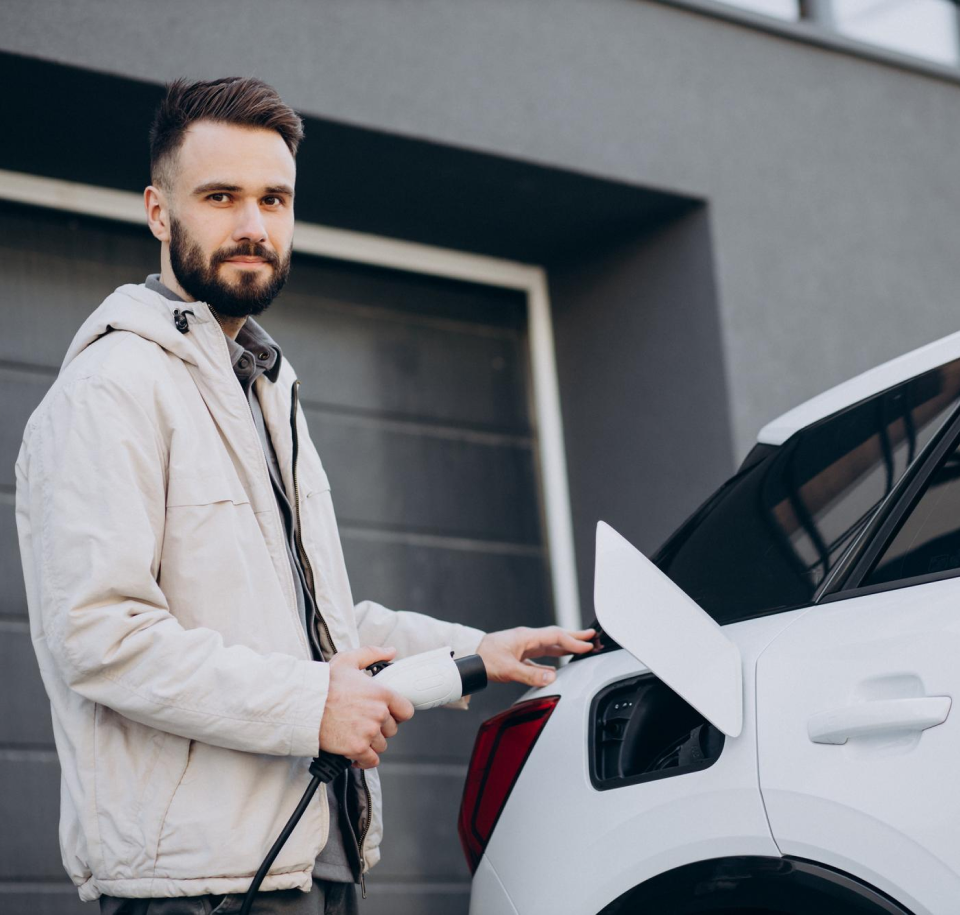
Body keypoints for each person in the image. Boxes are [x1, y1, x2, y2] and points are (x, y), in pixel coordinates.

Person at [14, 76, 595, 914]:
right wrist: (313, 703)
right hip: (196, 889)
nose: (254, 226)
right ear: (157, 211)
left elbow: (318, 636)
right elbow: (100, 634)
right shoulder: (109, 389)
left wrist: (479, 651)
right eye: (221, 196)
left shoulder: (266, 388)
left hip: (315, 861)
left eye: (274, 199)